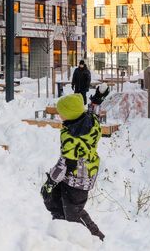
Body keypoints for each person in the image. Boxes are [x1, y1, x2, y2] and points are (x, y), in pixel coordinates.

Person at [40, 93, 105, 241]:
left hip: (78, 181)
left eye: (61, 113)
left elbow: (65, 164)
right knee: (55, 201)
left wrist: (50, 182)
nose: (60, 116)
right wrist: (95, 102)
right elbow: (92, 113)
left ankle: (97, 240)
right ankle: (60, 233)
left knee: (74, 215)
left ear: (69, 115)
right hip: (80, 175)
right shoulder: (91, 122)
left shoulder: (70, 136)